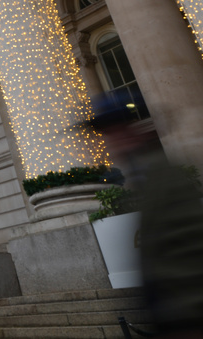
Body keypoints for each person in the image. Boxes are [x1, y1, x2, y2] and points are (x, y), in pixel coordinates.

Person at [84, 93, 203, 338]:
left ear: (128, 132)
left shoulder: (163, 177)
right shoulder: (143, 178)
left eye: (110, 133)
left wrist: (184, 318)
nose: (108, 143)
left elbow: (189, 249)